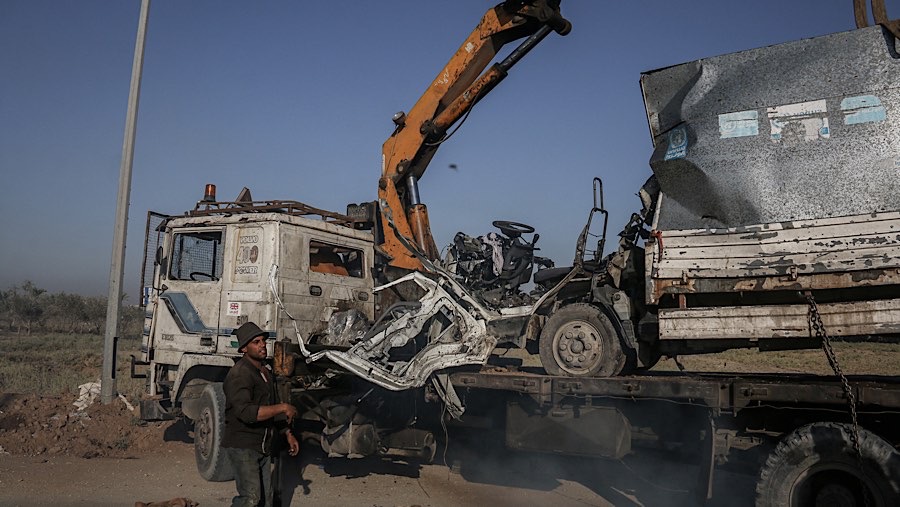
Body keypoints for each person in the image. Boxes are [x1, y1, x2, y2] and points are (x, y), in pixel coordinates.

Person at [223, 321, 300, 507]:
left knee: (265, 500)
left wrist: (287, 434)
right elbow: (246, 413)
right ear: (243, 349)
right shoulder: (239, 374)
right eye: (256, 342)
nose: (262, 345)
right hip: (243, 445)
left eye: (263, 341)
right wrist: (282, 407)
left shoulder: (264, 372)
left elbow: (271, 405)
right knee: (250, 499)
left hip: (262, 445)